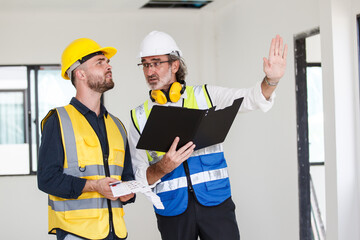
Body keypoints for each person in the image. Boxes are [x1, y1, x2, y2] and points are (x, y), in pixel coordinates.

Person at [129, 31, 288, 240]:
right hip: (172, 211)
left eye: (156, 63)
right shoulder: (139, 117)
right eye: (145, 64)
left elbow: (250, 99)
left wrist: (271, 80)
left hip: (216, 203)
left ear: (175, 65)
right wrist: (162, 167)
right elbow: (139, 175)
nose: (150, 70)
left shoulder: (206, 96)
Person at [37, 38, 135, 240]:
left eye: (107, 62)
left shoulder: (117, 126)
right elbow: (47, 179)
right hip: (77, 233)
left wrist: (128, 192)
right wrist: (94, 186)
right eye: (100, 62)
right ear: (80, 74)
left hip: (115, 231)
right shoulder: (58, 121)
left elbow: (126, 177)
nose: (108, 66)